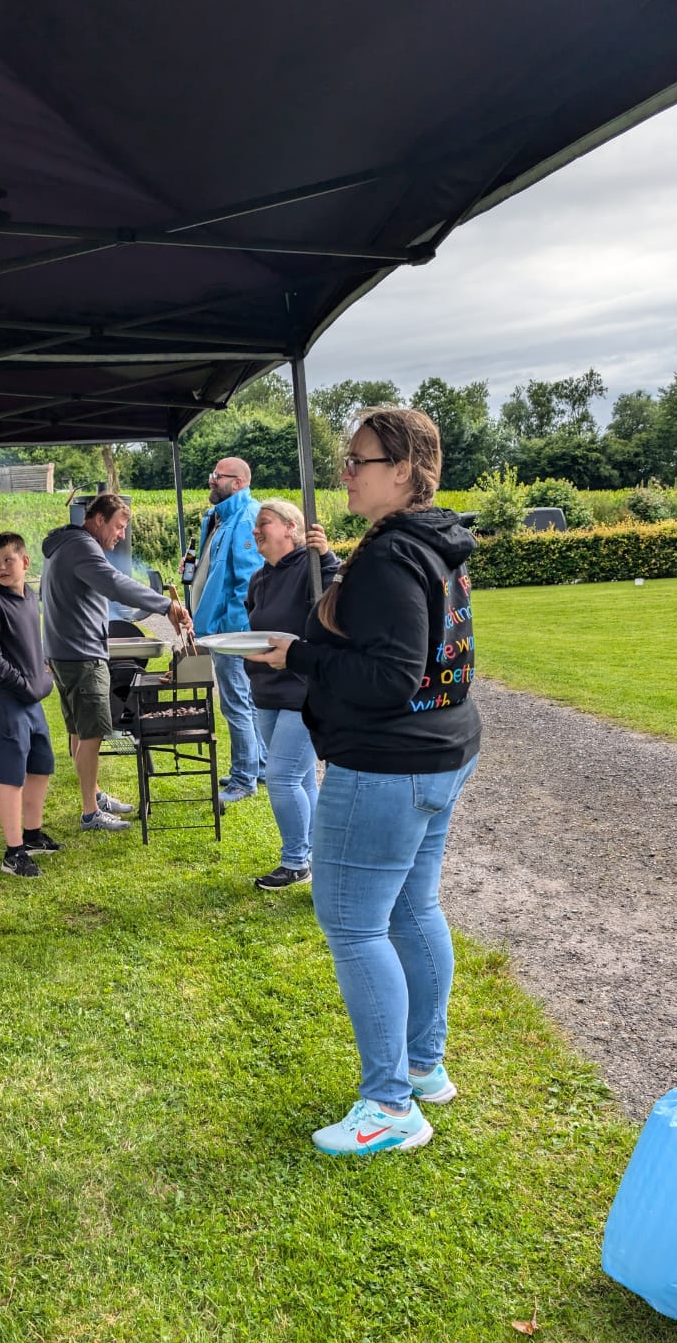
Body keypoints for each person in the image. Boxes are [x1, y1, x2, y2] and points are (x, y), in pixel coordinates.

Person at [249, 408, 480, 1157]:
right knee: (413, 905)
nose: (344, 473)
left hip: (389, 761)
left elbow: (388, 678)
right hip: (442, 749)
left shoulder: (389, 555)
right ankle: (423, 1066)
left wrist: (296, 655)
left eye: (359, 460)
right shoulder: (433, 540)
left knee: (353, 923)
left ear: (405, 470)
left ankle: (389, 1106)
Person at [41, 493, 194, 833]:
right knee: (93, 732)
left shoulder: (64, 543)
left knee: (79, 730)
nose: (121, 535)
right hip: (82, 655)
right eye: (119, 527)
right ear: (98, 520)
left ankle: (93, 796)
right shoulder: (82, 547)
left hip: (64, 652)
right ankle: (90, 812)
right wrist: (165, 605)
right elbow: (114, 583)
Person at [243, 500, 338, 890]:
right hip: (266, 689)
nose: (256, 530)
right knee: (302, 780)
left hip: (303, 689)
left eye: (264, 523)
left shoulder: (311, 566)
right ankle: (318, 856)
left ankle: (296, 862)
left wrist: (325, 554)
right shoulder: (259, 578)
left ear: (290, 528)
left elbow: (335, 593)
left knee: (281, 776)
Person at [0, 533, 59, 878]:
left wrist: (43, 672)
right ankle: (13, 853)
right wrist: (24, 685)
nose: (1, 568)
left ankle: (32, 835)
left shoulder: (29, 596)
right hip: (1, 698)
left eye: (8, 560)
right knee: (11, 776)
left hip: (28, 698)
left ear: (25, 561)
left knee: (40, 764)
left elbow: (31, 644)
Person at [183, 458, 266, 803]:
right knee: (244, 701)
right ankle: (257, 767)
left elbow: (247, 583)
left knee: (236, 704)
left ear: (238, 482)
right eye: (212, 474)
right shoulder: (219, 517)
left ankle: (244, 779)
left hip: (233, 632)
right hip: (222, 629)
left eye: (218, 476)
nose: (211, 480)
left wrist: (232, 633)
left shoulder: (246, 518)